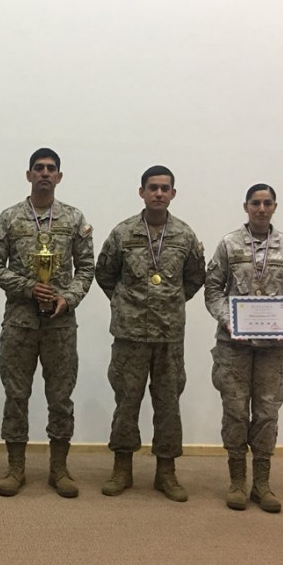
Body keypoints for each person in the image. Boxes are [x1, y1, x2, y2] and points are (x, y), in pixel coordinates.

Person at [0, 147, 95, 498]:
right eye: (39, 168)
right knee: (16, 395)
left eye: (51, 169)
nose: (45, 173)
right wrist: (28, 287)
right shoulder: (9, 219)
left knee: (60, 397)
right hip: (19, 322)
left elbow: (88, 268)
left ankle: (59, 469)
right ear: (29, 174)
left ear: (59, 176)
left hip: (61, 325)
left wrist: (69, 297)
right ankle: (15, 468)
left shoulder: (75, 219)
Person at [95, 166, 206, 501]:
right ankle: (122, 468)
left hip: (169, 336)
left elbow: (195, 277)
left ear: (173, 194)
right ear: (141, 192)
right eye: (152, 188)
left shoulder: (185, 236)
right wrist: (130, 304)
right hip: (130, 334)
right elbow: (105, 273)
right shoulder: (123, 233)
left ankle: (166, 473)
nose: (158, 193)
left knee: (168, 404)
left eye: (165, 188)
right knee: (126, 402)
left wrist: (168, 302)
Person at [204, 183, 283, 513]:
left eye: (267, 203)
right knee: (235, 410)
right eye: (255, 203)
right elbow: (213, 290)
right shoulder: (229, 244)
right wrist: (227, 319)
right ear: (246, 206)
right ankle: (237, 480)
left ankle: (262, 483)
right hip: (233, 345)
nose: (261, 209)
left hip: (273, 348)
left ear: (275, 207)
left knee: (267, 413)